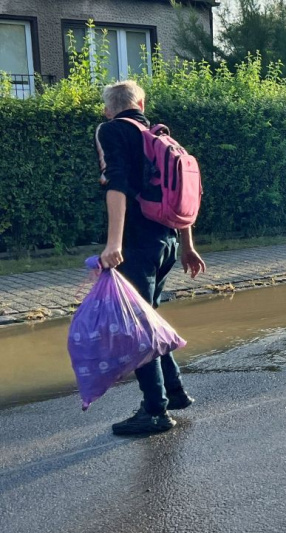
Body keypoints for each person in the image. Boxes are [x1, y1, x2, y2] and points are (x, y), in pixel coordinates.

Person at [95, 80, 206, 436]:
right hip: (168, 243)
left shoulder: (113, 131)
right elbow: (182, 196)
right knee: (149, 319)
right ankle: (173, 392)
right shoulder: (159, 135)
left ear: (108, 109)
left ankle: (155, 410)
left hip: (136, 246)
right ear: (141, 102)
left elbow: (118, 185)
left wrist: (114, 243)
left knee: (138, 328)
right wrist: (187, 246)